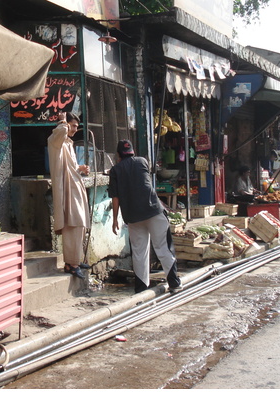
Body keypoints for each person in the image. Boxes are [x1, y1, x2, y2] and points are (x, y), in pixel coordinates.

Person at [108, 139, 182, 294]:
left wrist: (115, 219)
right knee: (163, 247)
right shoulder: (143, 162)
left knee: (139, 252)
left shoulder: (115, 170)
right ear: (132, 152)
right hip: (154, 211)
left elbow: (116, 198)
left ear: (118, 155)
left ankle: (141, 290)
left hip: (133, 217)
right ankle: (174, 283)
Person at [47, 111, 91, 279]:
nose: (74, 129)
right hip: (67, 191)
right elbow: (59, 133)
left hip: (75, 189)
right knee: (72, 224)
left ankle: (76, 261)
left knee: (79, 225)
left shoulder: (68, 144)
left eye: (75, 126)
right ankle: (71, 264)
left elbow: (70, 166)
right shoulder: (55, 141)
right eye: (72, 125)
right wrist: (62, 122)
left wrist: (80, 168)